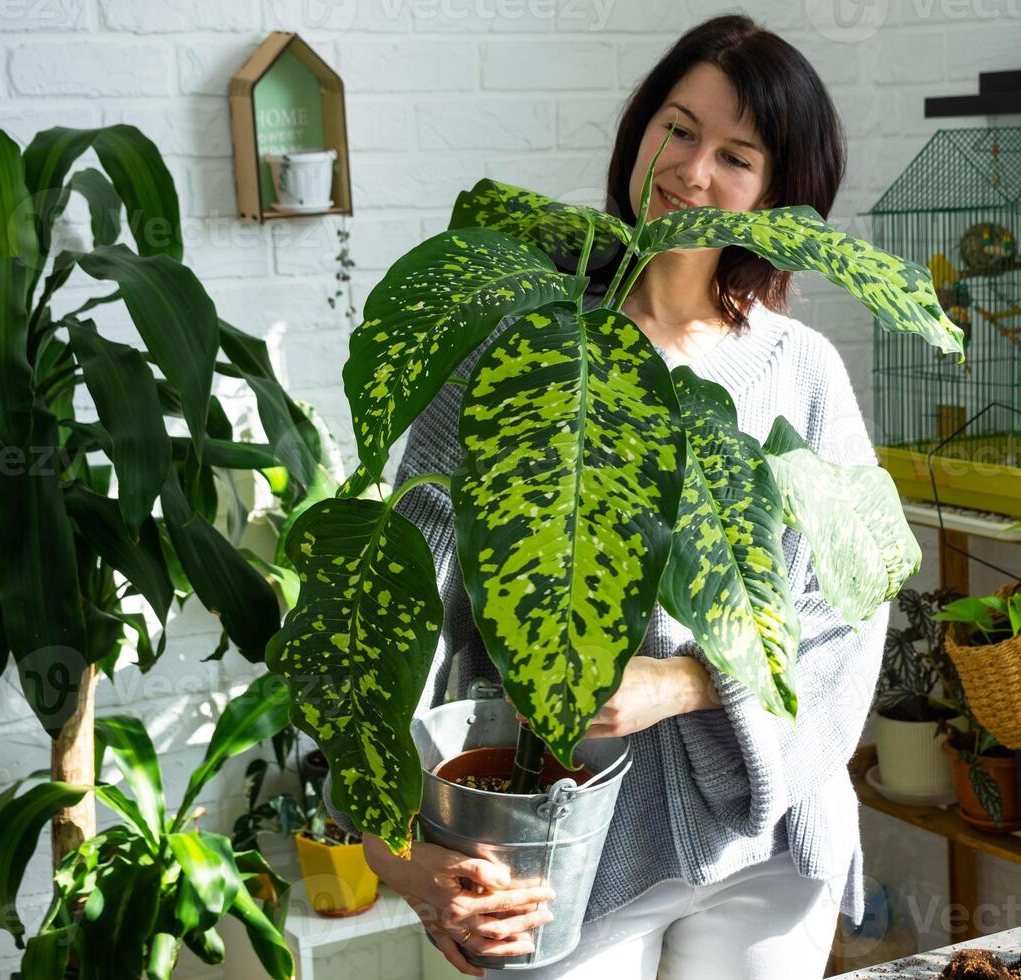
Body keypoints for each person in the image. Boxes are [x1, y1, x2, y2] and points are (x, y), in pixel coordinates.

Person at [334, 14, 889, 979]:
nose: (691, 170)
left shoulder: (802, 371)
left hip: (765, 841)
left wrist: (677, 685)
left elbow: (847, 617)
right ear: (640, 129)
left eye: (737, 155)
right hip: (560, 850)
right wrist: (409, 861)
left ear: (778, 195)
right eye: (677, 129)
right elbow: (398, 621)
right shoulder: (521, 345)